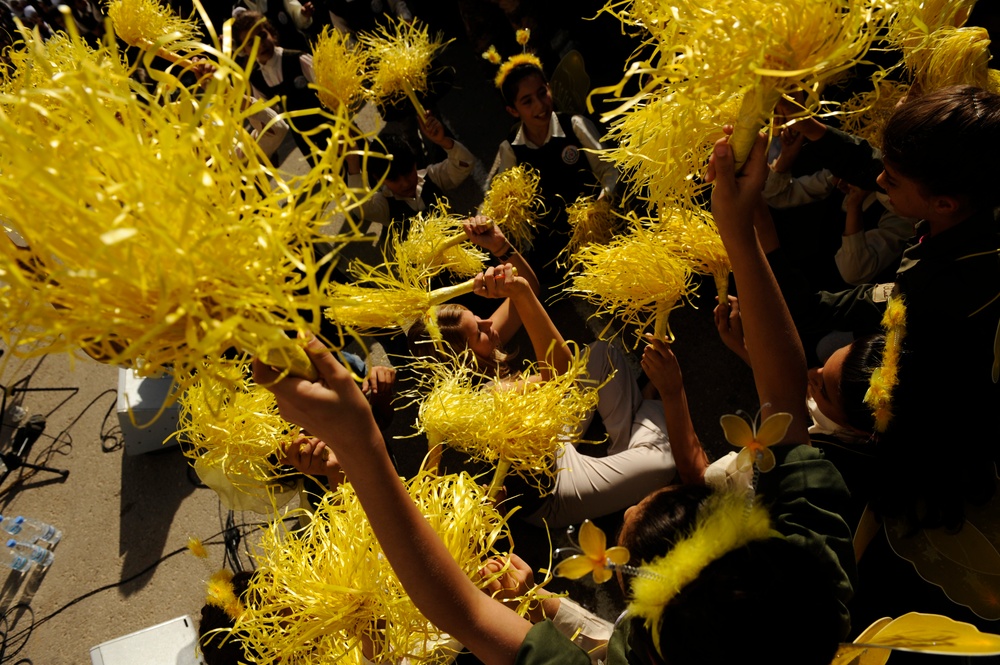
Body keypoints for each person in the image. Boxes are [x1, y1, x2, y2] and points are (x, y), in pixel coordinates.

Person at [252, 127, 855, 664]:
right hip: (549, 485)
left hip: (558, 470)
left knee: (622, 395)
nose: (485, 331)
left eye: (481, 323)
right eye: (472, 332)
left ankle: (644, 415)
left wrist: (356, 458)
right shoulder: (806, 582)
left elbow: (465, 612)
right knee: (642, 422)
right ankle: (645, 415)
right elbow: (783, 403)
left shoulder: (801, 582)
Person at [405, 219, 676, 527]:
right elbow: (560, 375)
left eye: (478, 317)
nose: (487, 325)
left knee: (603, 356)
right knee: (664, 462)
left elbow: (529, 288)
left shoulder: (482, 349)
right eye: (477, 333)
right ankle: (642, 435)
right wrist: (517, 294)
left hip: (550, 431)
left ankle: (625, 450)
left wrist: (499, 247)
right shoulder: (481, 398)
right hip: (555, 487)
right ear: (462, 361)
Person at [485, 57, 618, 282]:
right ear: (513, 110)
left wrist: (601, 206)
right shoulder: (511, 148)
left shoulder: (574, 125)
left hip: (597, 232)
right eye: (527, 101)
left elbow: (609, 169)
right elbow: (499, 202)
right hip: (552, 245)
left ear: (549, 89)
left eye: (542, 93)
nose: (540, 105)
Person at [233, 10, 328, 165]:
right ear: (245, 50)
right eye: (251, 43)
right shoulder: (256, 79)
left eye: (262, 36)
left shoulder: (297, 59)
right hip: (303, 137)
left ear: (270, 32)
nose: (261, 44)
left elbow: (327, 89)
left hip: (329, 124)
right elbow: (266, 114)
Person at [346, 113, 475, 226]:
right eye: (393, 179)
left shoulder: (432, 177)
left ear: (414, 163)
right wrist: (353, 161)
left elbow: (464, 164)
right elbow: (360, 209)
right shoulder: (385, 206)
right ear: (379, 180)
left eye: (407, 172)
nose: (406, 183)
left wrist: (443, 141)